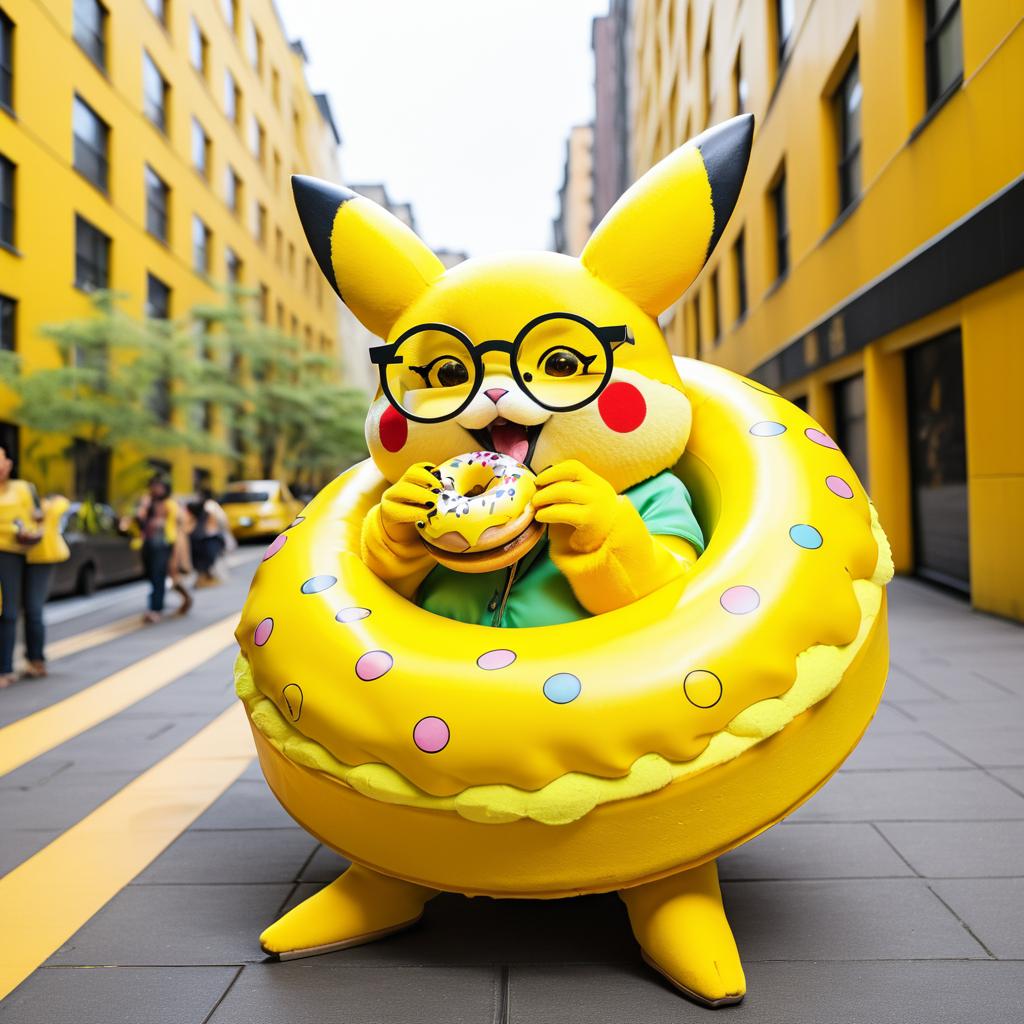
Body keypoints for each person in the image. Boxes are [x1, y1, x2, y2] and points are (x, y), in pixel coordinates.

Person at [0, 446, 41, 687]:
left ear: (9, 464)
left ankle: (13, 665)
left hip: (21, 553)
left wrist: (30, 531)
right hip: (8, 553)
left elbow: (39, 517)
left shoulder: (23, 489)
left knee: (16, 611)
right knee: (7, 612)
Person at [22, 491, 72, 678]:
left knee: (34, 610)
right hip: (18, 556)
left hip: (42, 558)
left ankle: (36, 660)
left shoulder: (47, 505)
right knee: (13, 612)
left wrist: (43, 509)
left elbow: (63, 504)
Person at [130, 475, 183, 623]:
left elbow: (177, 521)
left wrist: (162, 522)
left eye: (158, 486)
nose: (155, 489)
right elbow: (139, 521)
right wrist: (143, 507)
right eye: (153, 486)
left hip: (163, 544)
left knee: (158, 575)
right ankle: (155, 606)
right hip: (148, 543)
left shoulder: (170, 504)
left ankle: (156, 608)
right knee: (152, 575)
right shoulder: (147, 503)